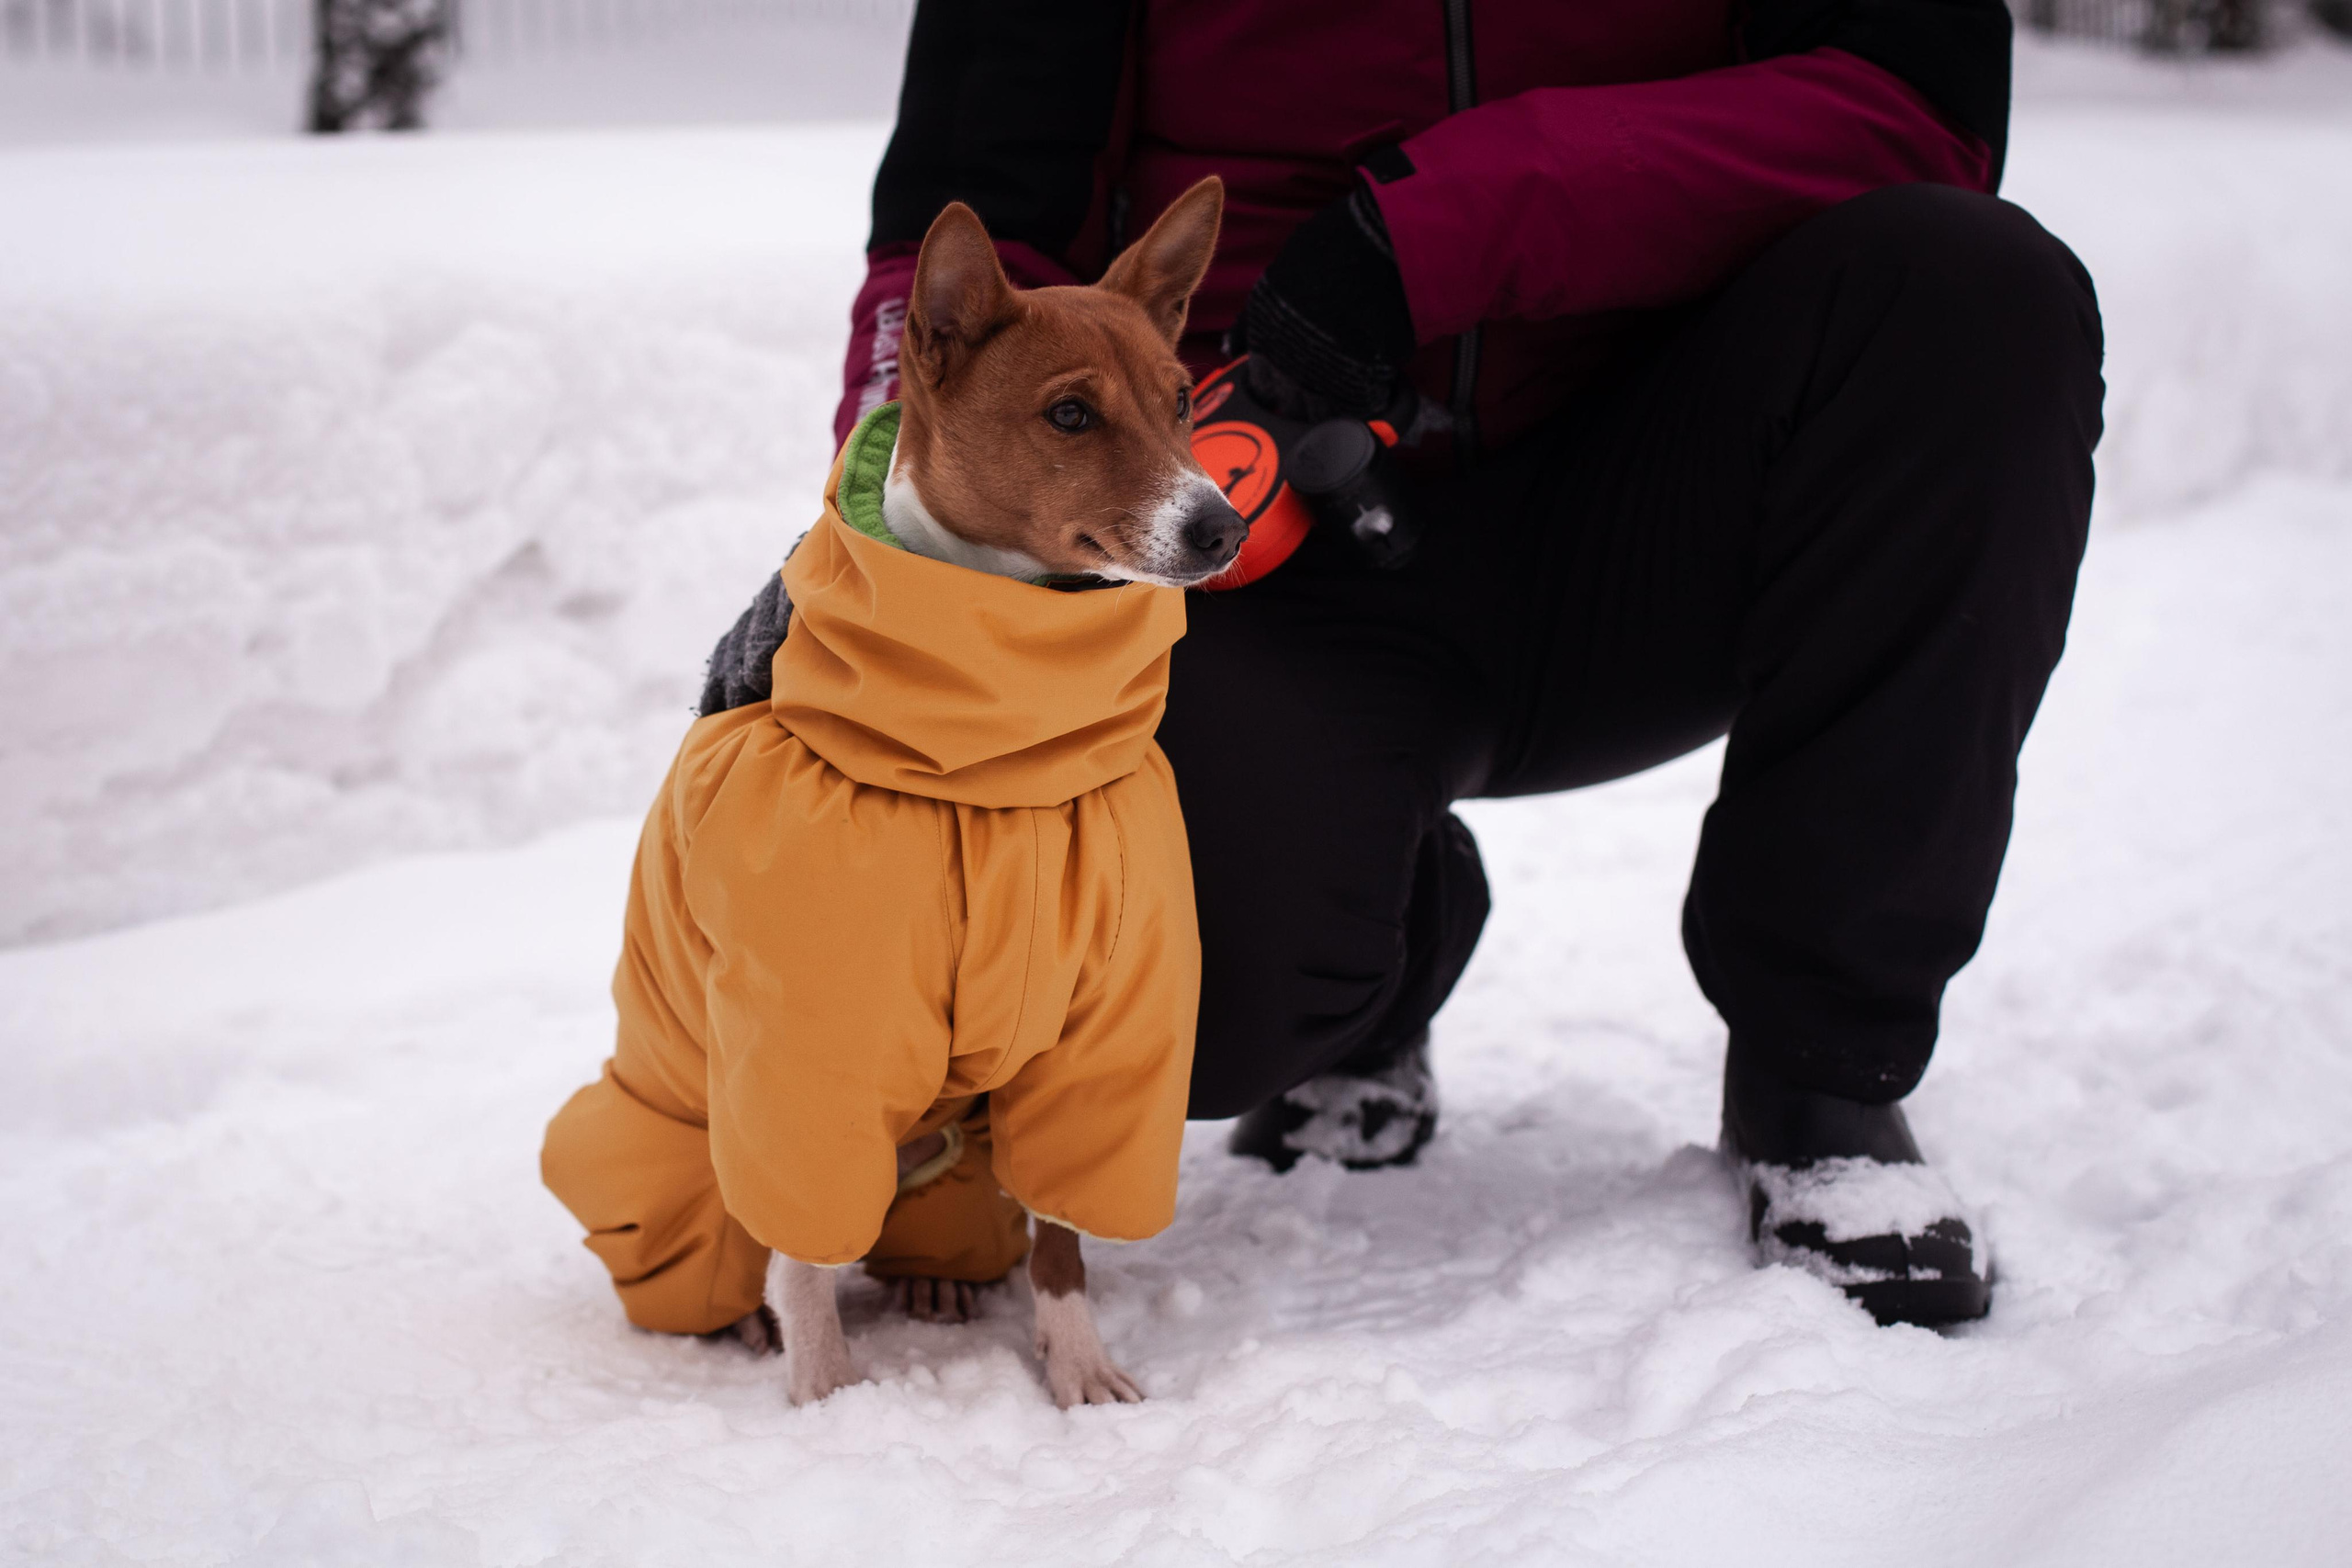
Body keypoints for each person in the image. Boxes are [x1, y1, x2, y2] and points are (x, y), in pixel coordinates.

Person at [699, 0, 2104, 1327]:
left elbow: (1907, 114)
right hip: (1262, 511)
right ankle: (1382, 943)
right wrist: (887, 551)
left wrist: (1421, 234)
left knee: (1976, 297)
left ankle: (1826, 1076)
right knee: (1148, 1012)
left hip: (1671, 485)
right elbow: (963, 253)